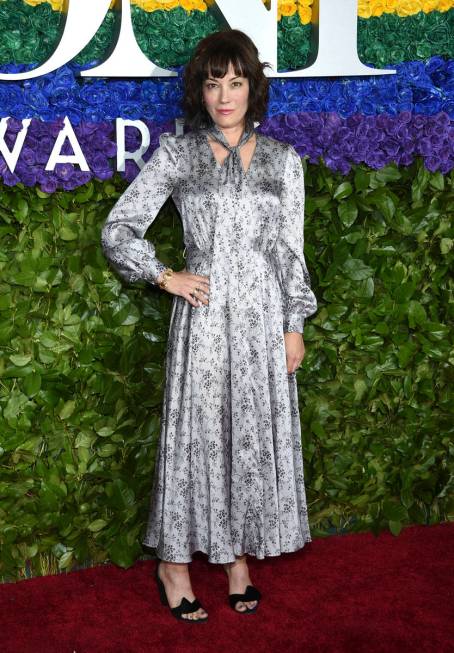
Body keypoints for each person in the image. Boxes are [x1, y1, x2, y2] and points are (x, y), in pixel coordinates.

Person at [101, 29, 318, 623]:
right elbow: (118, 229)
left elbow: (290, 252)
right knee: (197, 441)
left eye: (236, 81)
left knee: (248, 435)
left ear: (253, 86)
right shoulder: (179, 154)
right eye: (213, 82)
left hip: (263, 322)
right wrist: (166, 275)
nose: (225, 95)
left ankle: (237, 559)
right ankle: (173, 563)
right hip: (203, 322)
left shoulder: (281, 160)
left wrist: (293, 323)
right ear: (199, 89)